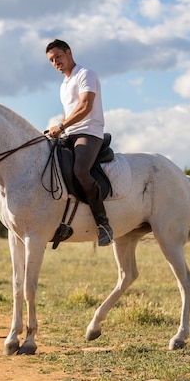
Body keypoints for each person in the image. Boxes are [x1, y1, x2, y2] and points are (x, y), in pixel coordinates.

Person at [45, 39, 113, 246]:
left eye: (58, 56)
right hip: (69, 133)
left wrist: (62, 126)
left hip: (89, 132)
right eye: (51, 60)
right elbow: (69, 112)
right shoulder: (64, 84)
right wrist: (57, 132)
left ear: (69, 52)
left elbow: (85, 106)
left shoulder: (86, 74)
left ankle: (104, 225)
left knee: (81, 171)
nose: (56, 62)